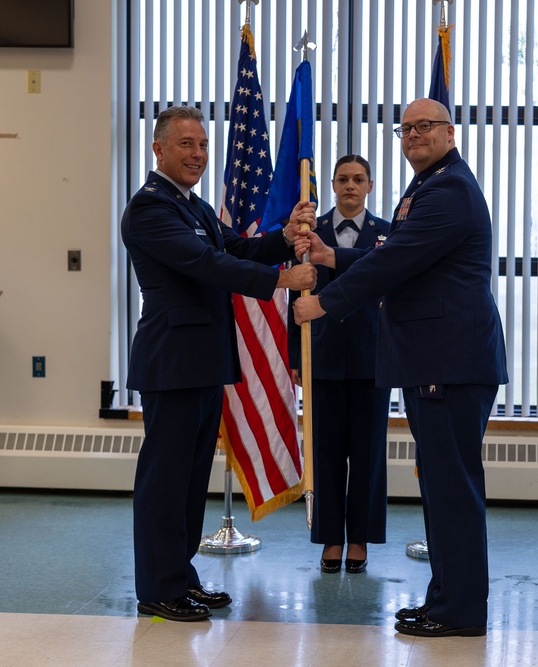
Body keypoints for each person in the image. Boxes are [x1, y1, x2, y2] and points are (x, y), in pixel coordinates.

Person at [294, 98, 508, 638]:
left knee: (453, 490)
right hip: (434, 358)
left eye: (425, 126)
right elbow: (395, 248)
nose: (414, 135)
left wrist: (324, 301)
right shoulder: (427, 186)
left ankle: (460, 613)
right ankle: (444, 599)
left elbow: (395, 260)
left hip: (449, 360)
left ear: (449, 132)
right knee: (440, 488)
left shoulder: (449, 188)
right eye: (406, 128)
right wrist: (331, 258)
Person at [121, 105, 317, 622]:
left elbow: (237, 247)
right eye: (186, 144)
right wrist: (281, 280)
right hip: (173, 362)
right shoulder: (149, 208)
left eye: (203, 145)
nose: (198, 154)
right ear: (158, 149)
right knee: (165, 482)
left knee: (187, 484)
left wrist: (286, 235)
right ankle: (158, 590)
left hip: (204, 361)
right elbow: (207, 265)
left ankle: (180, 577)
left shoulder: (195, 207)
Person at [288, 155, 391, 574]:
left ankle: (360, 539)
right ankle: (330, 537)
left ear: (369, 185)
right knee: (325, 452)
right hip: (322, 356)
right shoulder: (310, 233)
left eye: (358, 179)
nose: (350, 186)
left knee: (367, 454)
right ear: (331, 184)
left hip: (372, 356)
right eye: (343, 179)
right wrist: (296, 357)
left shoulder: (387, 235)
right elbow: (295, 297)